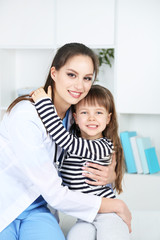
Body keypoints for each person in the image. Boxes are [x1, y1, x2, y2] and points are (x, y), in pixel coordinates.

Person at [0, 43, 131, 240]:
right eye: (72, 75)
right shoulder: (26, 116)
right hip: (6, 205)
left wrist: (109, 174)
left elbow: (87, 159)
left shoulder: (79, 116)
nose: (80, 86)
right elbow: (54, 190)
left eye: (87, 78)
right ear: (54, 73)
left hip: (39, 209)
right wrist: (116, 204)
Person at [31, 84, 129, 240]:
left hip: (108, 212)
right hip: (85, 215)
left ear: (108, 118)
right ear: (75, 118)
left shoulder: (102, 146)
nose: (92, 118)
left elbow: (63, 138)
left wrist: (44, 104)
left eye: (98, 112)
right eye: (84, 112)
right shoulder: (73, 146)